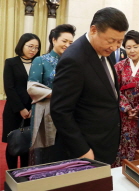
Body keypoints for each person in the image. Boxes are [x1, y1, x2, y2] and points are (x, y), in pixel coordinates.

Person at [50, 7, 129, 164]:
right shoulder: (74, 59)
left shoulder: (106, 53)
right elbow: (60, 110)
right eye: (111, 40)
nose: (114, 47)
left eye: (119, 42)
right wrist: (82, 150)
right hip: (85, 150)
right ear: (93, 30)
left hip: (104, 143)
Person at [27, 24, 75, 165]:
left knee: (65, 152)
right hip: (46, 113)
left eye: (71, 43)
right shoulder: (40, 60)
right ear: (54, 40)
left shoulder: (73, 63)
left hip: (69, 114)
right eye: (64, 41)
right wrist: (59, 94)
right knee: (46, 154)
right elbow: (32, 88)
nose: (67, 45)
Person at [2, 33, 41, 169]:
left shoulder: (39, 63)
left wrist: (33, 107)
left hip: (33, 109)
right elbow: (9, 88)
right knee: (13, 142)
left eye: (36, 47)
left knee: (27, 143)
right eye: (30, 46)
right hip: (14, 109)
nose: (33, 50)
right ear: (22, 45)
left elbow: (41, 87)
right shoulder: (11, 62)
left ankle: (24, 172)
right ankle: (12, 173)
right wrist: (21, 109)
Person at [112, 30, 139, 167]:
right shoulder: (119, 67)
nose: (132, 50)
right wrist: (127, 108)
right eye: (128, 47)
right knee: (123, 149)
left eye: (135, 46)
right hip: (124, 117)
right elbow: (114, 89)